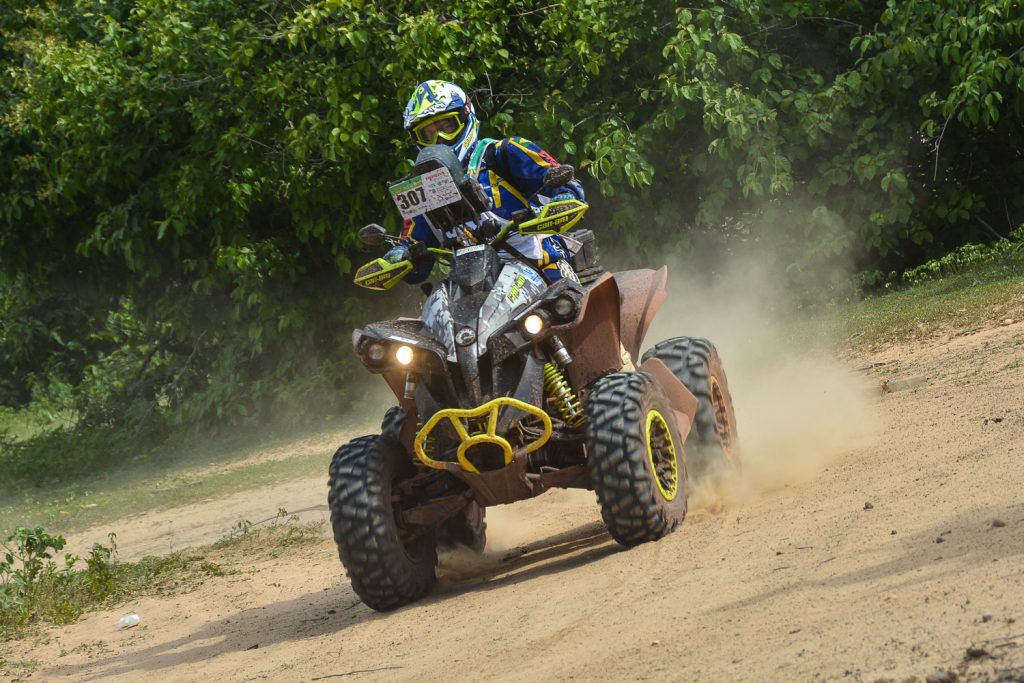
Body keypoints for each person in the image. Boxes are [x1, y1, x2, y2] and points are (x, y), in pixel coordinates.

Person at [385, 79, 587, 284]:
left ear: (465, 117)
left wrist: (563, 197)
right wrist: (400, 255)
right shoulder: (423, 187)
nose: (440, 138)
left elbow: (567, 185)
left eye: (446, 126)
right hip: (470, 281)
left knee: (567, 305)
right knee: (434, 312)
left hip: (536, 262)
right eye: (428, 134)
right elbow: (416, 258)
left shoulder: (504, 152)